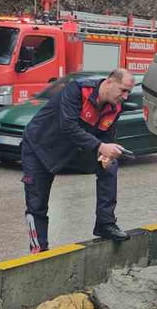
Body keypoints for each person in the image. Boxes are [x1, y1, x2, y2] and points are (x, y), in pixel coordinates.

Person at [20, 68, 136, 252]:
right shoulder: (77, 90)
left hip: (72, 150)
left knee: (110, 165)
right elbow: (68, 127)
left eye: (129, 92)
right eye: (123, 90)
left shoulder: (115, 108)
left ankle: (105, 224)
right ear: (109, 82)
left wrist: (105, 154)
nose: (126, 96)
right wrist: (101, 147)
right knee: (37, 204)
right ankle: (39, 252)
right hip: (40, 147)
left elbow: (106, 136)